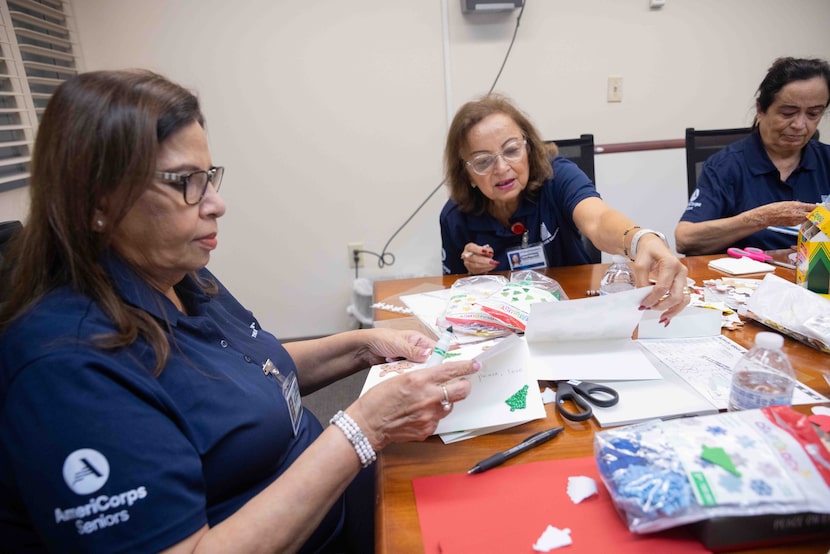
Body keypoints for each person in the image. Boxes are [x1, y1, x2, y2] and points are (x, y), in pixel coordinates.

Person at [0, 70, 479, 553]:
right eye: (186, 182)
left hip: (345, 501)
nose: (216, 204)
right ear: (98, 201)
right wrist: (363, 429)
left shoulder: (179, 272)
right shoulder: (67, 370)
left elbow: (258, 370)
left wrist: (364, 345)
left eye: (208, 178)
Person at [440, 93, 689, 321]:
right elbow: (453, 295)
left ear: (529, 147)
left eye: (512, 150)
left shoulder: (558, 177)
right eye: (483, 161)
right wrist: (471, 274)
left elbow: (598, 219)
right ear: (468, 173)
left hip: (573, 311)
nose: (502, 168)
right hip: (500, 323)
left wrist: (641, 240)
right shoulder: (454, 217)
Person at [675, 57, 830, 255]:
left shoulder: (826, 160)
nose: (800, 125)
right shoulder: (725, 166)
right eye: (788, 112)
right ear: (760, 109)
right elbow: (685, 239)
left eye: (813, 114)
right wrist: (762, 218)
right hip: (748, 279)